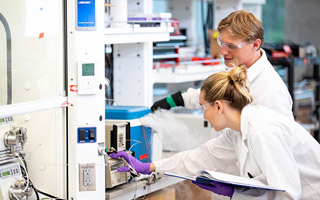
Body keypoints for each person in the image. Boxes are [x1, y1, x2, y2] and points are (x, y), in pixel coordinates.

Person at [110, 66, 320, 199]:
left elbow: (288, 194)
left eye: (203, 108)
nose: (203, 116)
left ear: (219, 106)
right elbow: (201, 157)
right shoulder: (237, 131)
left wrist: (236, 193)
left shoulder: (262, 131)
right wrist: (150, 167)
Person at [151, 10, 293, 119]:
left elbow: (277, 150)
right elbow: (211, 95)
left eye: (231, 46)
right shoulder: (236, 68)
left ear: (255, 44)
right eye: (221, 43)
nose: (223, 52)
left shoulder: (271, 92)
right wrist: (175, 100)